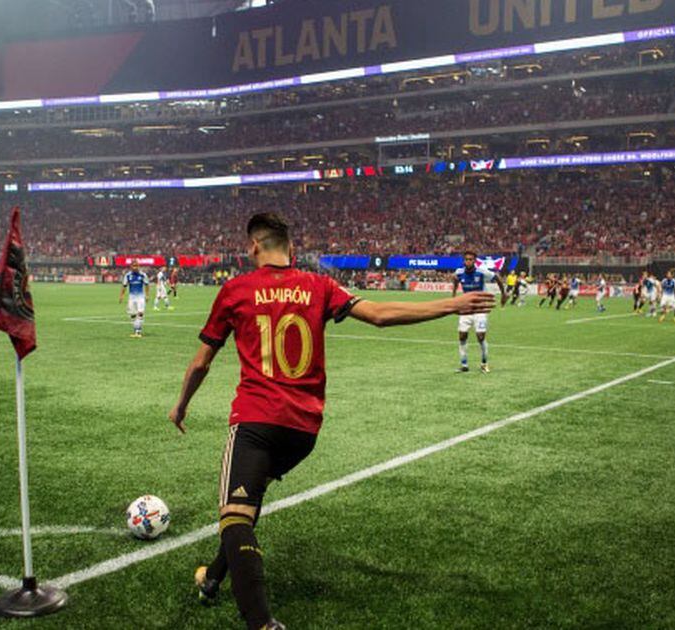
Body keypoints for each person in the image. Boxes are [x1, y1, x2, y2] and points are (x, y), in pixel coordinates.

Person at [169, 213, 493, 630]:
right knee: (250, 496)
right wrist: (451, 305)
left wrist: (180, 404)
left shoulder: (235, 289)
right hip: (303, 429)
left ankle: (263, 624)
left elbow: (201, 363)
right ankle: (213, 578)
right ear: (292, 249)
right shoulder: (318, 285)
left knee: (234, 516)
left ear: (253, 247)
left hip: (255, 419)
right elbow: (379, 314)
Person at [453, 252, 506, 373]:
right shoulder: (459, 272)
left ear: (474, 261)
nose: (468, 262)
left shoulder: (482, 272)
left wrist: (504, 293)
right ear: (464, 261)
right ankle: (464, 364)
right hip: (466, 309)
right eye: (466, 259)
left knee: (480, 337)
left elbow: (497, 277)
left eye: (471, 259)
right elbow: (455, 279)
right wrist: (454, 296)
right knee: (462, 335)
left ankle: (484, 363)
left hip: (480, 309)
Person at [119, 261, 150, 338]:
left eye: (136, 266)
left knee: (140, 313)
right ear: (131, 266)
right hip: (131, 298)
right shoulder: (128, 276)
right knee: (132, 314)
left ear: (139, 266)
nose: (135, 267)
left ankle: (138, 331)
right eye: (133, 266)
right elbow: (124, 286)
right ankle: (136, 329)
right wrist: (121, 296)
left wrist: (147, 295)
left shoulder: (143, 275)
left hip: (140, 297)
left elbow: (146, 285)